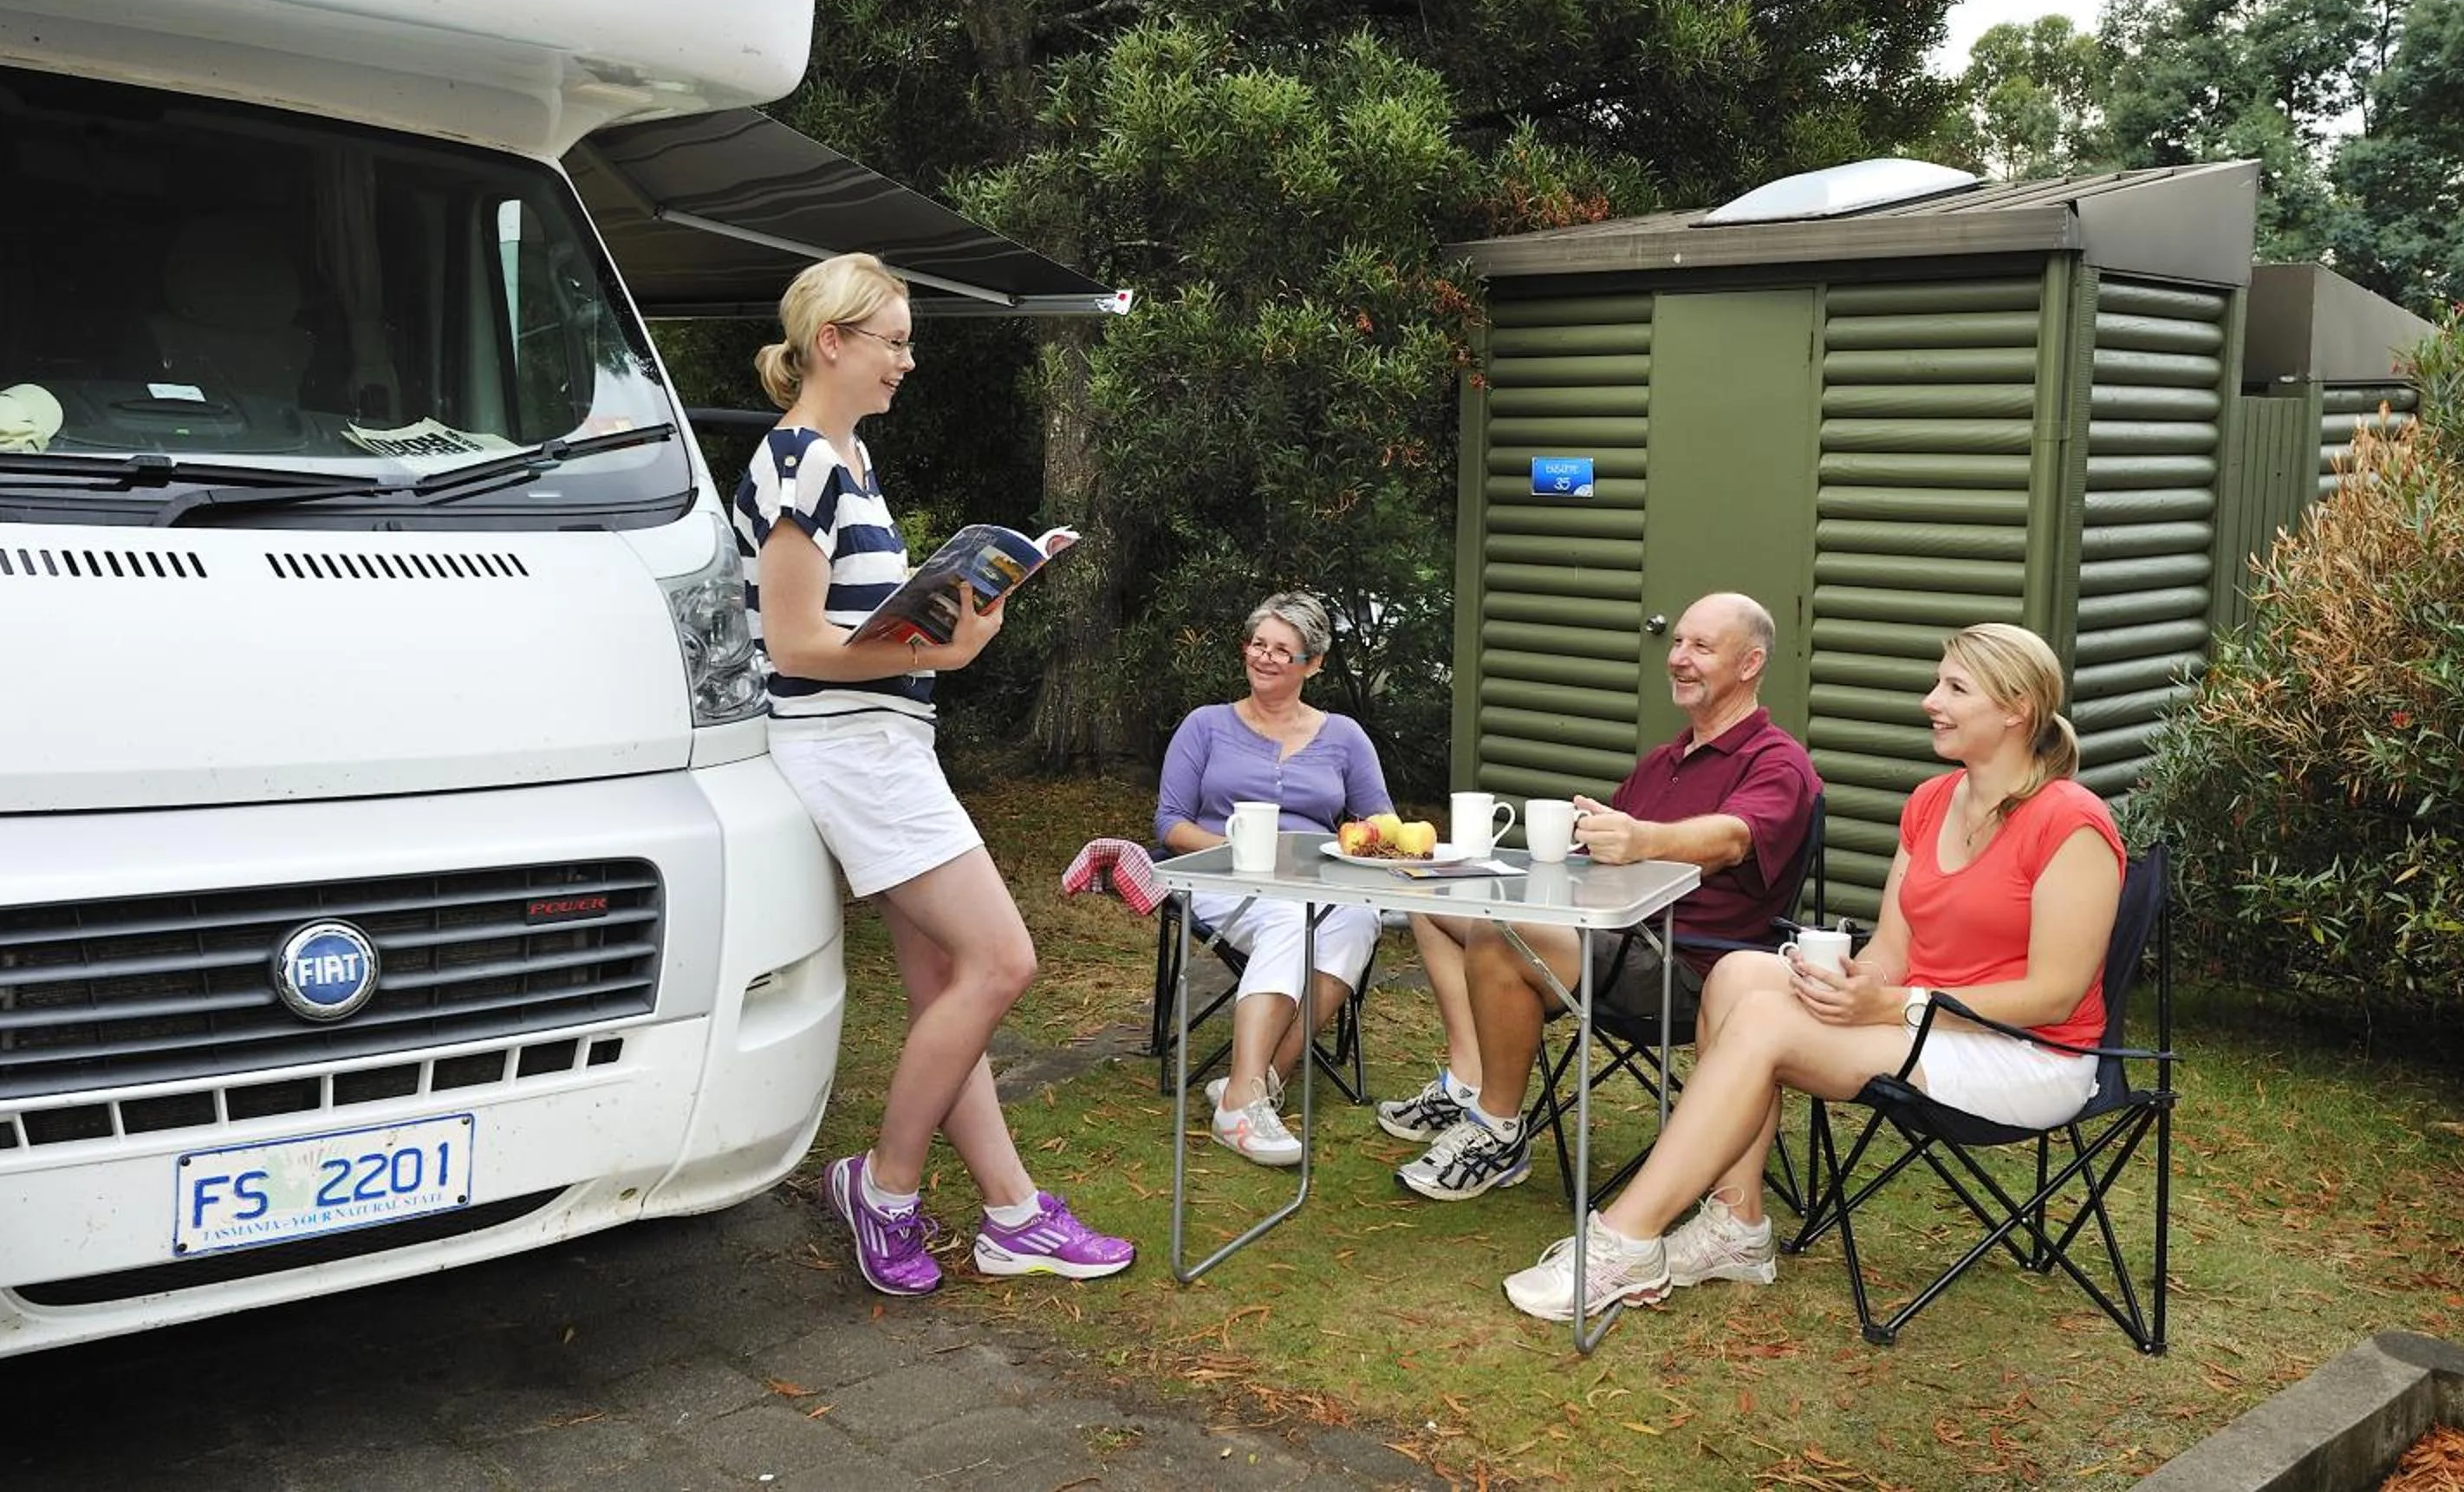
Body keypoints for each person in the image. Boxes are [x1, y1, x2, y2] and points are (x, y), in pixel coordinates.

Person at [1497, 622, 2124, 1321]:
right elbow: (1892, 949)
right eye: (1937, 683)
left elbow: (2053, 993)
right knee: (1740, 973)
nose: (1930, 701)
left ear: (2016, 710)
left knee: (1765, 1019)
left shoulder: (2072, 822)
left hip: (2028, 1053)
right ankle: (1738, 1227)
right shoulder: (1932, 802)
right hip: (1929, 1024)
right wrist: (1853, 980)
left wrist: (1891, 1006)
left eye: (1954, 688)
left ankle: (1623, 1242)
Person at [732, 251, 1133, 1298]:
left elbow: (841, 628)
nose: (908, 361)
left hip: (885, 744)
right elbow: (790, 644)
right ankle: (887, 1187)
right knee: (1002, 963)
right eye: (895, 341)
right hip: (852, 751)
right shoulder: (801, 463)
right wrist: (939, 652)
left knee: (947, 990)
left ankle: (1011, 1213)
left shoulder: (848, 460)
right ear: (833, 342)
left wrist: (948, 616)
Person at [1378, 592, 1821, 1202]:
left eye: (1701, 647)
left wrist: (1644, 839)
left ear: (1749, 665)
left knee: (1500, 933)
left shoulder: (1776, 763)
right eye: (1678, 642)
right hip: (1613, 939)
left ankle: (1498, 1132)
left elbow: (1731, 841)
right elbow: (1602, 860)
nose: (1679, 659)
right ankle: (1468, 1078)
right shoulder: (1666, 761)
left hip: (1688, 969)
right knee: (1434, 894)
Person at [1155, 592, 1394, 1168]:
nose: (1264, 658)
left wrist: (1359, 842)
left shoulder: (1343, 736)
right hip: (1220, 878)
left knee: (1359, 916)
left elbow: (1381, 821)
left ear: (1312, 664)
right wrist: (1246, 854)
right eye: (1258, 645)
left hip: (1312, 881)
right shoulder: (1205, 726)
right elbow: (1170, 825)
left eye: (1282, 651)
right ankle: (1243, 1103)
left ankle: (1256, 1085)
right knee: (1290, 916)